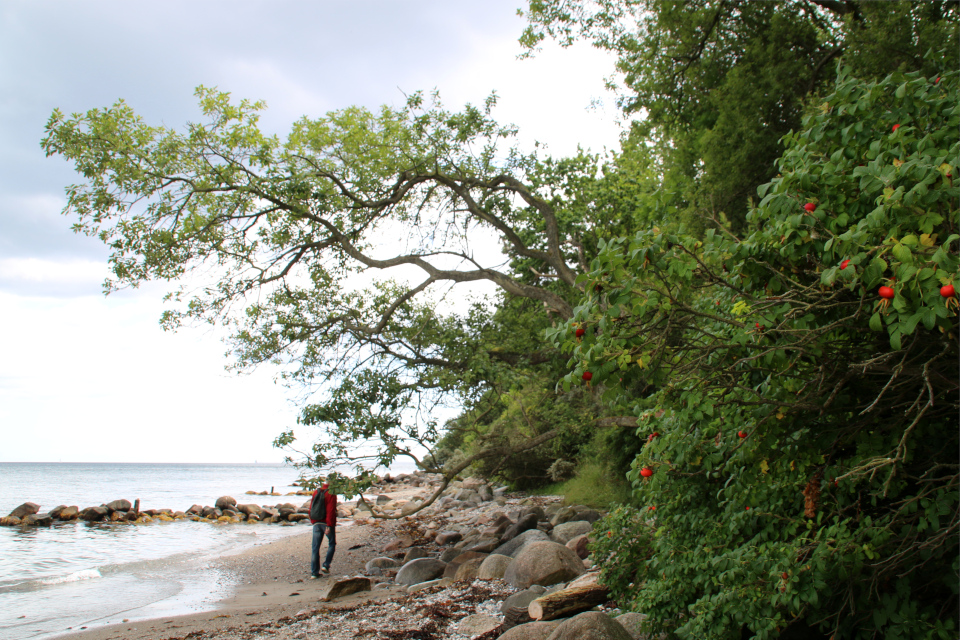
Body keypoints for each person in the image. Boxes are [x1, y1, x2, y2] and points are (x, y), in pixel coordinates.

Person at [308, 481, 337, 577]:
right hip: (326, 523)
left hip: (316, 522)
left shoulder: (316, 492)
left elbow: (311, 507)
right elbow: (331, 510)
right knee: (332, 543)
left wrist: (312, 520)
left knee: (315, 548)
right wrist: (329, 525)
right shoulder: (331, 493)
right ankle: (326, 565)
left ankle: (314, 573)